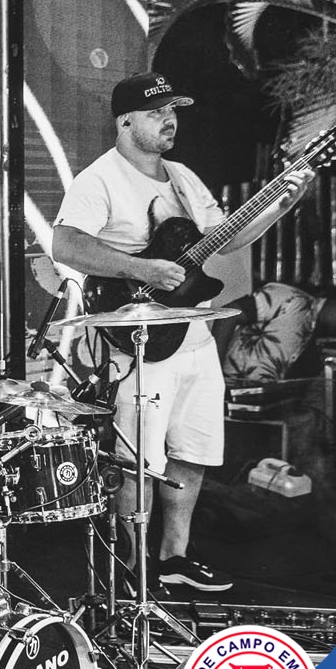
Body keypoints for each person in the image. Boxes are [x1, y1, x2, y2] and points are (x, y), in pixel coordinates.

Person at [51, 72, 234, 593]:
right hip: (139, 341)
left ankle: (175, 556)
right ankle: (136, 568)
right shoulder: (99, 179)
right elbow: (65, 245)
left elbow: (228, 238)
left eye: (172, 110)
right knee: (140, 462)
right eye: (157, 112)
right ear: (125, 121)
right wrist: (141, 269)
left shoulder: (183, 177)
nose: (169, 120)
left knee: (194, 450)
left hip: (194, 334)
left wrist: (278, 205)